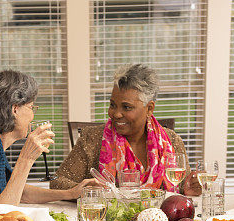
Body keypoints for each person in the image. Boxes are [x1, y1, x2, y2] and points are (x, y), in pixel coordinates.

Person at [0, 70, 101, 217]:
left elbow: (19, 193)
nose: (32, 116)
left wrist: (70, 193)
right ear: (15, 109)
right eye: (31, 107)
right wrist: (26, 159)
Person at [51, 63, 201, 195]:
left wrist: (189, 189)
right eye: (112, 105)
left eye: (126, 107)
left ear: (149, 108)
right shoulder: (92, 139)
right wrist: (86, 190)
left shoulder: (172, 141)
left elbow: (180, 189)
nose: (116, 114)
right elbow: (57, 182)